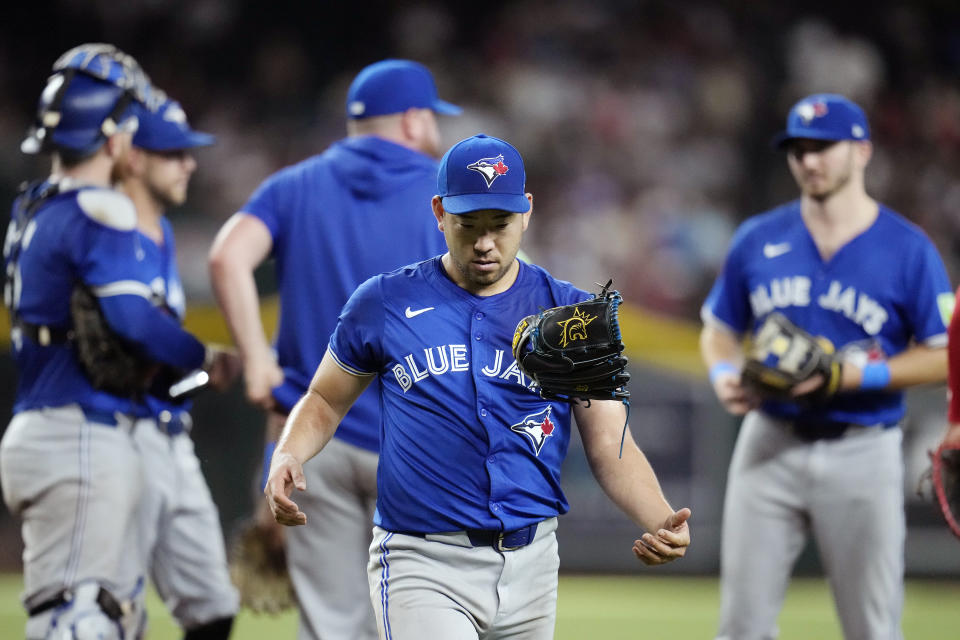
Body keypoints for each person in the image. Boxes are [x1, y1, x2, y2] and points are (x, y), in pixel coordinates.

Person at [264, 133, 691, 640]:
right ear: (440, 212)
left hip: (533, 564)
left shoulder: (573, 316)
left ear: (527, 211)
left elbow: (610, 443)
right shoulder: (383, 302)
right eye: (469, 225)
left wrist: (661, 517)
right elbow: (324, 400)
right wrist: (288, 452)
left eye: (500, 225)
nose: (485, 243)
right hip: (422, 561)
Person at [208, 58, 460, 638]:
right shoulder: (444, 197)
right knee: (416, 621)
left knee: (330, 624)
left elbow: (226, 256)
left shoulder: (296, 185)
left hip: (316, 439)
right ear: (414, 120)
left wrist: (260, 358)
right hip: (420, 445)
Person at [699, 93, 953, 640]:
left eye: (823, 147)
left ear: (861, 151)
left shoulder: (907, 248)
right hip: (769, 439)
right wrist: (723, 376)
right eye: (798, 149)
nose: (809, 161)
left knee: (872, 628)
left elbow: (942, 354)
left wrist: (853, 376)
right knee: (741, 627)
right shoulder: (758, 239)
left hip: (863, 447)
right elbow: (718, 330)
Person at [0, 44, 231, 640]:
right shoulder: (98, 208)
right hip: (79, 434)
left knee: (107, 618)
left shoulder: (33, 207)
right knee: (78, 620)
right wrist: (200, 357)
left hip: (50, 425)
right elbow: (130, 321)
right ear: (113, 138)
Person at [117, 94, 240, 639]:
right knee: (114, 611)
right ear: (133, 158)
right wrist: (201, 355)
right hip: (114, 435)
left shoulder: (161, 234)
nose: (188, 163)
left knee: (213, 607)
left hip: (167, 431)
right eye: (173, 154)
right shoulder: (106, 233)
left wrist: (186, 373)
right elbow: (127, 329)